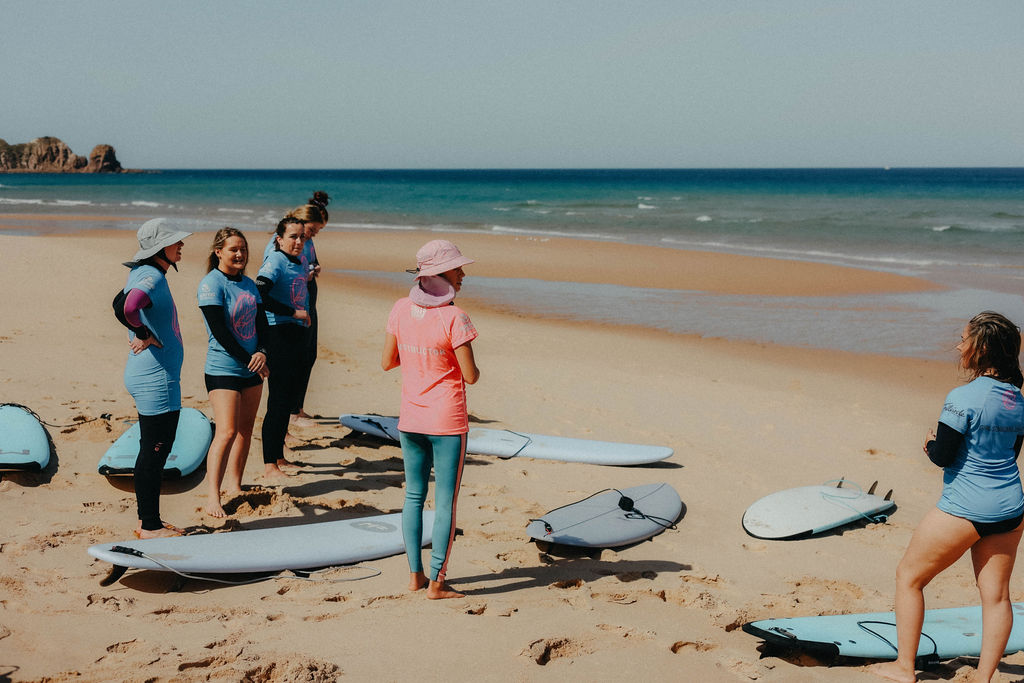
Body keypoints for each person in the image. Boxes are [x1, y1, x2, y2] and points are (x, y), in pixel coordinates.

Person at [870, 311, 1024, 683]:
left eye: (963, 339)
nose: (958, 345)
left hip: (965, 507)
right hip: (1010, 507)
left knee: (909, 577)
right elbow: (1011, 451)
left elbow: (944, 456)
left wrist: (928, 443)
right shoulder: (1017, 399)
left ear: (981, 348)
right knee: (997, 597)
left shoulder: (962, 397)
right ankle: (985, 678)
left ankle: (905, 668)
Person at [381, 239, 480, 599]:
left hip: (410, 419)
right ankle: (437, 582)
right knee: (446, 503)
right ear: (440, 274)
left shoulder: (400, 309)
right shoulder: (455, 317)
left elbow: (387, 361)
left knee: (413, 497)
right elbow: (470, 376)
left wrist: (420, 358)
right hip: (447, 421)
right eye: (458, 269)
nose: (463, 273)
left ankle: (414, 576)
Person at [115, 218, 191, 539]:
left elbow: (117, 304)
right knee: (155, 450)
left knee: (152, 448)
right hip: (156, 378)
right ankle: (149, 526)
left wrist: (139, 329)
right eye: (176, 241)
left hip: (149, 374)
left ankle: (149, 521)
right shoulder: (151, 276)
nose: (182, 245)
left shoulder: (143, 272)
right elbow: (129, 306)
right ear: (161, 248)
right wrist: (144, 331)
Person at [197, 228, 269, 517]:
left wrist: (263, 352)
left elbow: (263, 324)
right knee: (226, 431)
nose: (240, 254)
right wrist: (251, 358)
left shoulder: (250, 285)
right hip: (223, 368)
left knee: (246, 429)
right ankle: (213, 496)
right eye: (233, 250)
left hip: (253, 367)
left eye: (243, 249)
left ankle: (235, 485)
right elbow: (220, 331)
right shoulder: (211, 284)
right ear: (218, 252)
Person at [256, 216, 310, 479]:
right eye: (293, 236)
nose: (299, 241)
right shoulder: (275, 260)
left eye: (302, 236)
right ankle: (269, 465)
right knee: (277, 401)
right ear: (279, 239)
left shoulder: (298, 261)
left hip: (294, 334)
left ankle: (279, 457)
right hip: (278, 333)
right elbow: (260, 294)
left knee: (286, 398)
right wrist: (293, 312)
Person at [285, 191, 330, 427]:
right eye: (313, 230)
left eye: (316, 232)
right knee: (298, 357)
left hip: (308, 298)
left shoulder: (307, 242)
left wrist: (314, 269)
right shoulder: (288, 240)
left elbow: (309, 262)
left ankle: (297, 407)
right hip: (297, 303)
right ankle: (291, 410)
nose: (313, 235)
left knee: (309, 355)